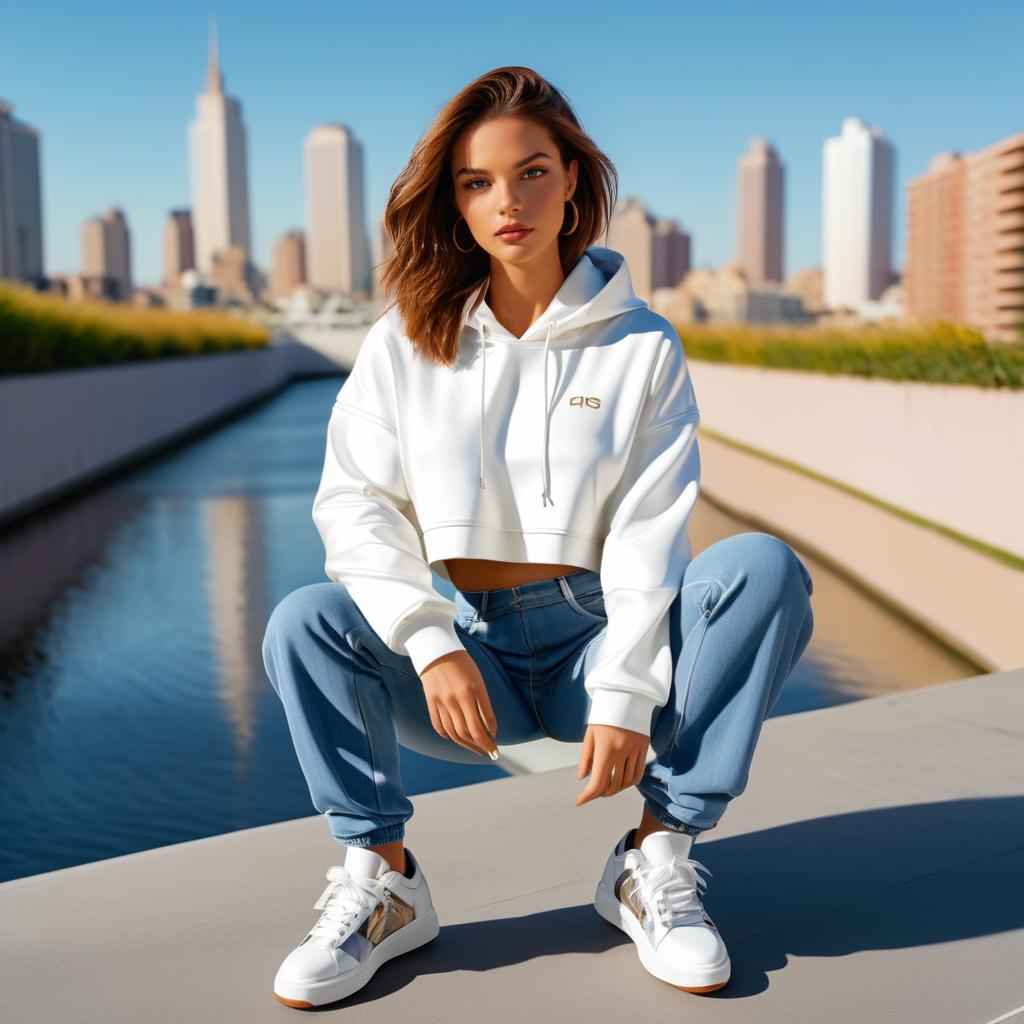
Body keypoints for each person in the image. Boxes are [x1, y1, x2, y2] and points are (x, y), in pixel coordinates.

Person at [261, 65, 815, 1009]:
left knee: (762, 569)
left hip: (591, 643)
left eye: (532, 172)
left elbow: (651, 532)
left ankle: (655, 858)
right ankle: (385, 883)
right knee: (305, 621)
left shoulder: (641, 344)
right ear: (455, 203)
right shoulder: (406, 340)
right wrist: (431, 642)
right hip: (463, 657)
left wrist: (630, 692)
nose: (506, 201)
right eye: (477, 183)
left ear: (573, 183)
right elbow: (353, 506)